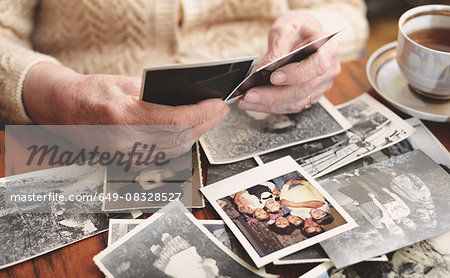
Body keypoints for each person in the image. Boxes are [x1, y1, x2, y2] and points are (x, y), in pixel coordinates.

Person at [0, 1, 368, 150]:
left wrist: (320, 35)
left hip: (271, 114)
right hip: (80, 134)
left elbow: (348, 9)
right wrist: (58, 96)